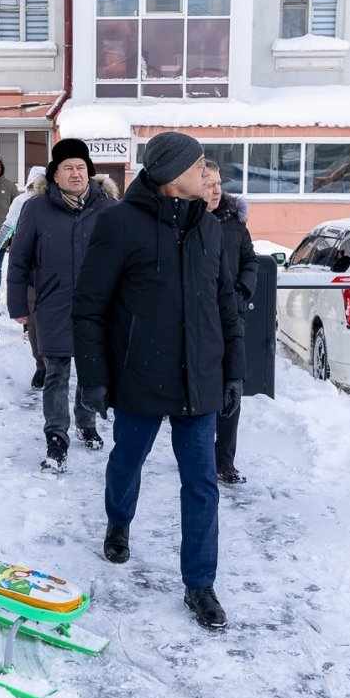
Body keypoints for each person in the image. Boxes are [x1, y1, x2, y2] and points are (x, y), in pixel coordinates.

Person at [72, 131, 245, 630]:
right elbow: (90, 309)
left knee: (201, 485)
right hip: (140, 377)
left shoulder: (210, 228)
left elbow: (225, 308)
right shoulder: (119, 225)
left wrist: (233, 371)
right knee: (127, 461)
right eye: (199, 166)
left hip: (200, 380)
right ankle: (118, 523)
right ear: (171, 176)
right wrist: (95, 380)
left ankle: (200, 584)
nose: (207, 174)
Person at [7, 138, 120, 472]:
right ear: (54, 175)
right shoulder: (35, 208)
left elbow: (127, 260)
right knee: (56, 372)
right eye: (68, 167)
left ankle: (86, 423)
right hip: (53, 303)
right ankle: (56, 438)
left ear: (90, 173)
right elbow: (19, 260)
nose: (75, 173)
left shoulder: (110, 209)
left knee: (90, 371)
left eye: (81, 167)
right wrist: (18, 305)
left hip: (98, 307)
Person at [203, 160, 258, 486]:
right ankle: (197, 453)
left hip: (231, 317)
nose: (215, 191)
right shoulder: (186, 222)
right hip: (196, 319)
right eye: (208, 184)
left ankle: (225, 461)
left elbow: (249, 259)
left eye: (219, 184)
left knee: (231, 388)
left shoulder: (233, 220)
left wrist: (241, 289)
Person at [0, 166, 49, 389]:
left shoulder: (57, 203)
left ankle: (55, 364)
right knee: (35, 324)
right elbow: (8, 225)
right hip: (30, 269)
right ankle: (41, 364)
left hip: (54, 271)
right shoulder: (22, 202)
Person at [0, 157, 18, 301]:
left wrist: (13, 237)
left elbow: (17, 214)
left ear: (2, 169)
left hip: (0, 238)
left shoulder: (10, 187)